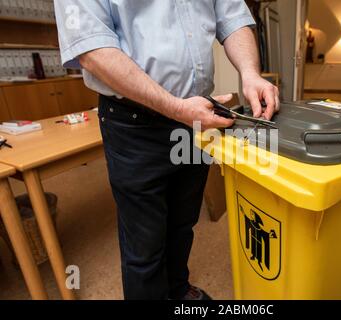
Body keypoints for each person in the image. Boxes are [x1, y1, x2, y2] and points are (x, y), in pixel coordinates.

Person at [54, 0, 280, 300]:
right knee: (144, 242)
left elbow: (232, 18)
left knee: (183, 222)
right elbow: (92, 49)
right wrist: (176, 108)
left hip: (197, 117)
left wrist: (251, 74)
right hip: (134, 122)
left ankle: (177, 288)